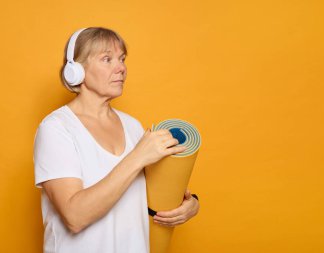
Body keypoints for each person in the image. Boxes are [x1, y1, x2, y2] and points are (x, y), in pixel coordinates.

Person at [33, 27, 199, 253]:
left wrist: (188, 205)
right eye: (107, 59)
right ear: (76, 71)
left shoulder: (132, 125)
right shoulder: (56, 129)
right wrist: (138, 156)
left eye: (121, 59)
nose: (121, 68)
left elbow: (150, 196)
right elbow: (75, 216)